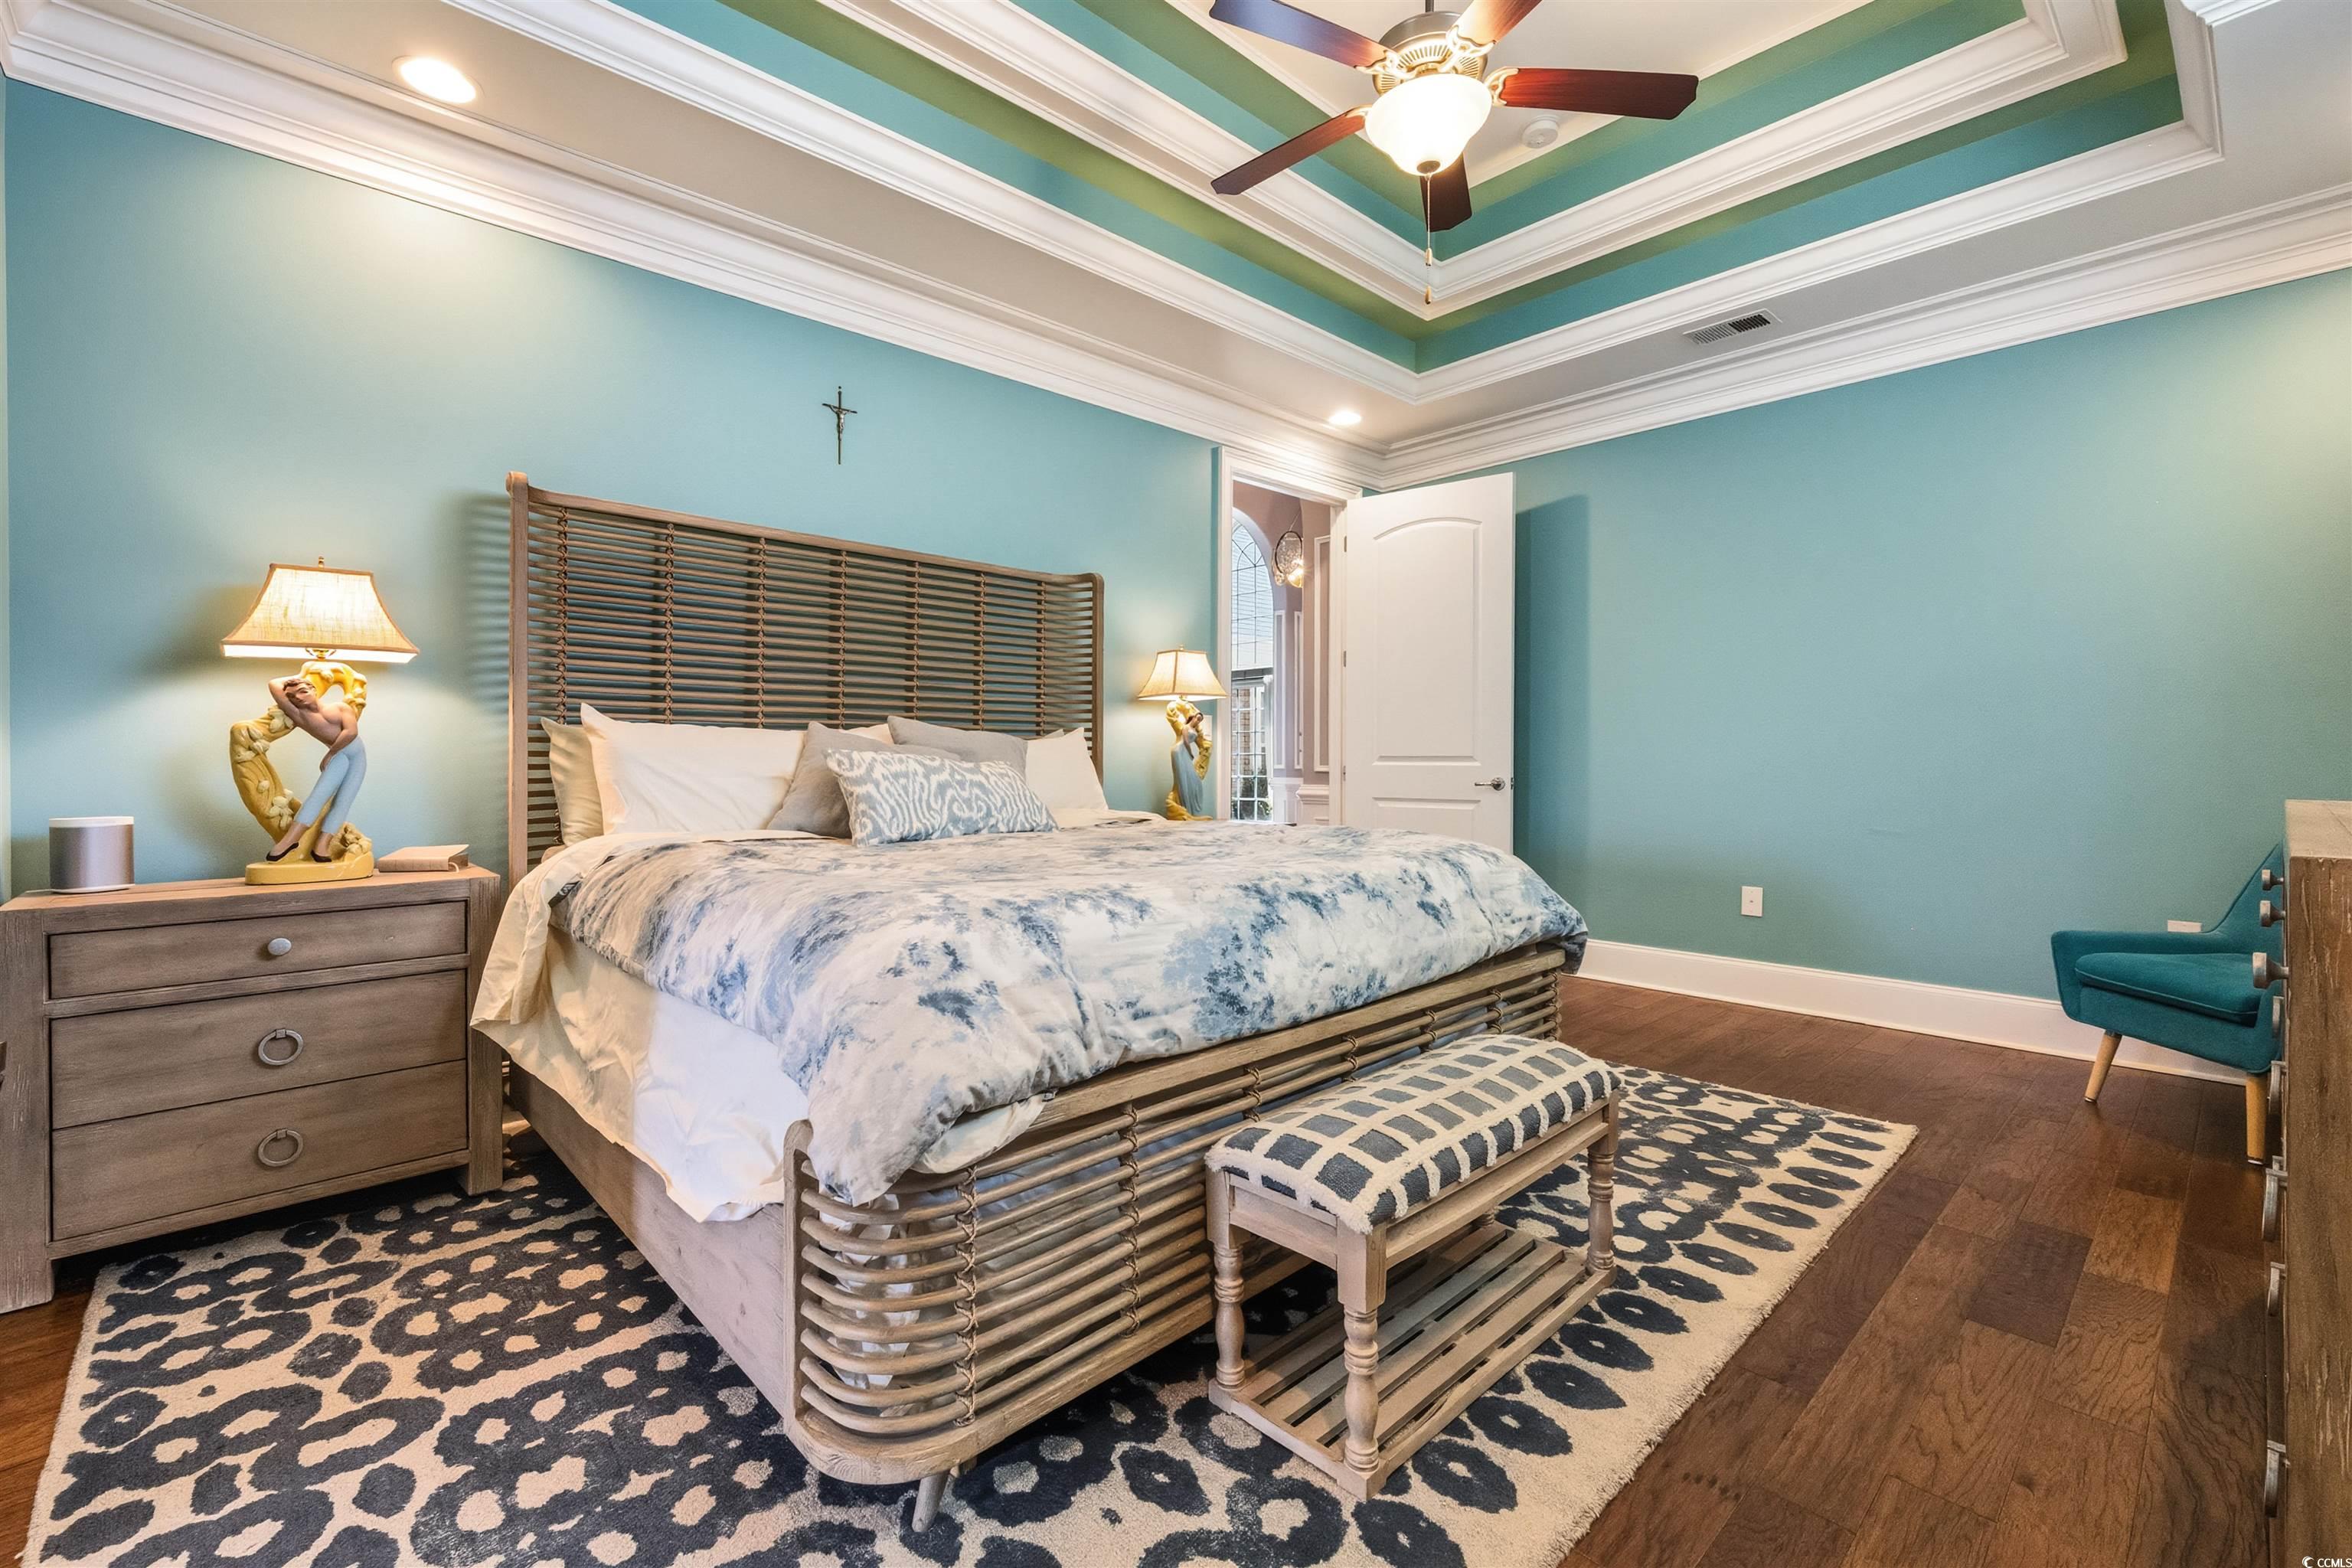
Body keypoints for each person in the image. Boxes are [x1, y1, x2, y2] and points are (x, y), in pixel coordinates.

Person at [263, 668, 368, 863]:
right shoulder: (298, 714)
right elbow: (273, 683)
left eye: (303, 691)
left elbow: (351, 732)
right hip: (340, 755)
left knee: (343, 801)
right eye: (292, 697)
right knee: (319, 795)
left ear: (314, 689)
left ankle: (322, 846)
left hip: (356, 754)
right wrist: (302, 673)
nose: (298, 698)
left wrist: (330, 753)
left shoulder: (340, 707)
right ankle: (290, 840)